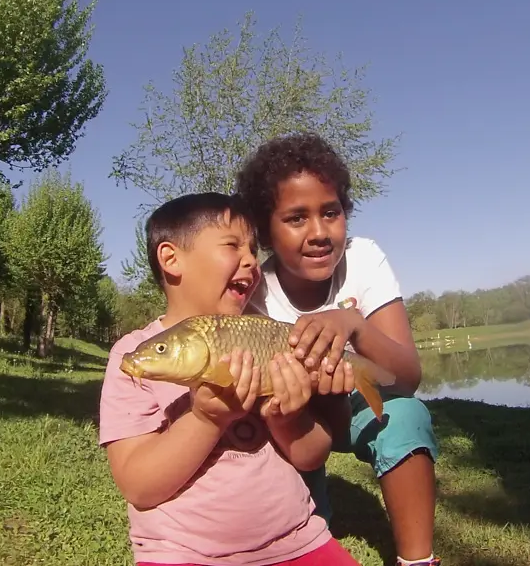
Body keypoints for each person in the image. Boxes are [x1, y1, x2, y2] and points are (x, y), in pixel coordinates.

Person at [98, 192, 361, 566]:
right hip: (185, 555)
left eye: (253, 248)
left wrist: (289, 417)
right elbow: (138, 486)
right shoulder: (137, 354)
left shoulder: (269, 337)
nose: (252, 260)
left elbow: (312, 455)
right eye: (232, 245)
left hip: (298, 539)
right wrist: (207, 419)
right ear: (171, 259)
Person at [236, 133, 441, 566]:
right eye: (295, 218)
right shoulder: (253, 292)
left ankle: (417, 561)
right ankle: (305, 533)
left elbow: (407, 377)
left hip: (361, 403)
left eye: (331, 213)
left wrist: (354, 326)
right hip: (296, 417)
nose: (318, 233)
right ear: (265, 230)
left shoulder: (364, 259)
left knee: (406, 416)